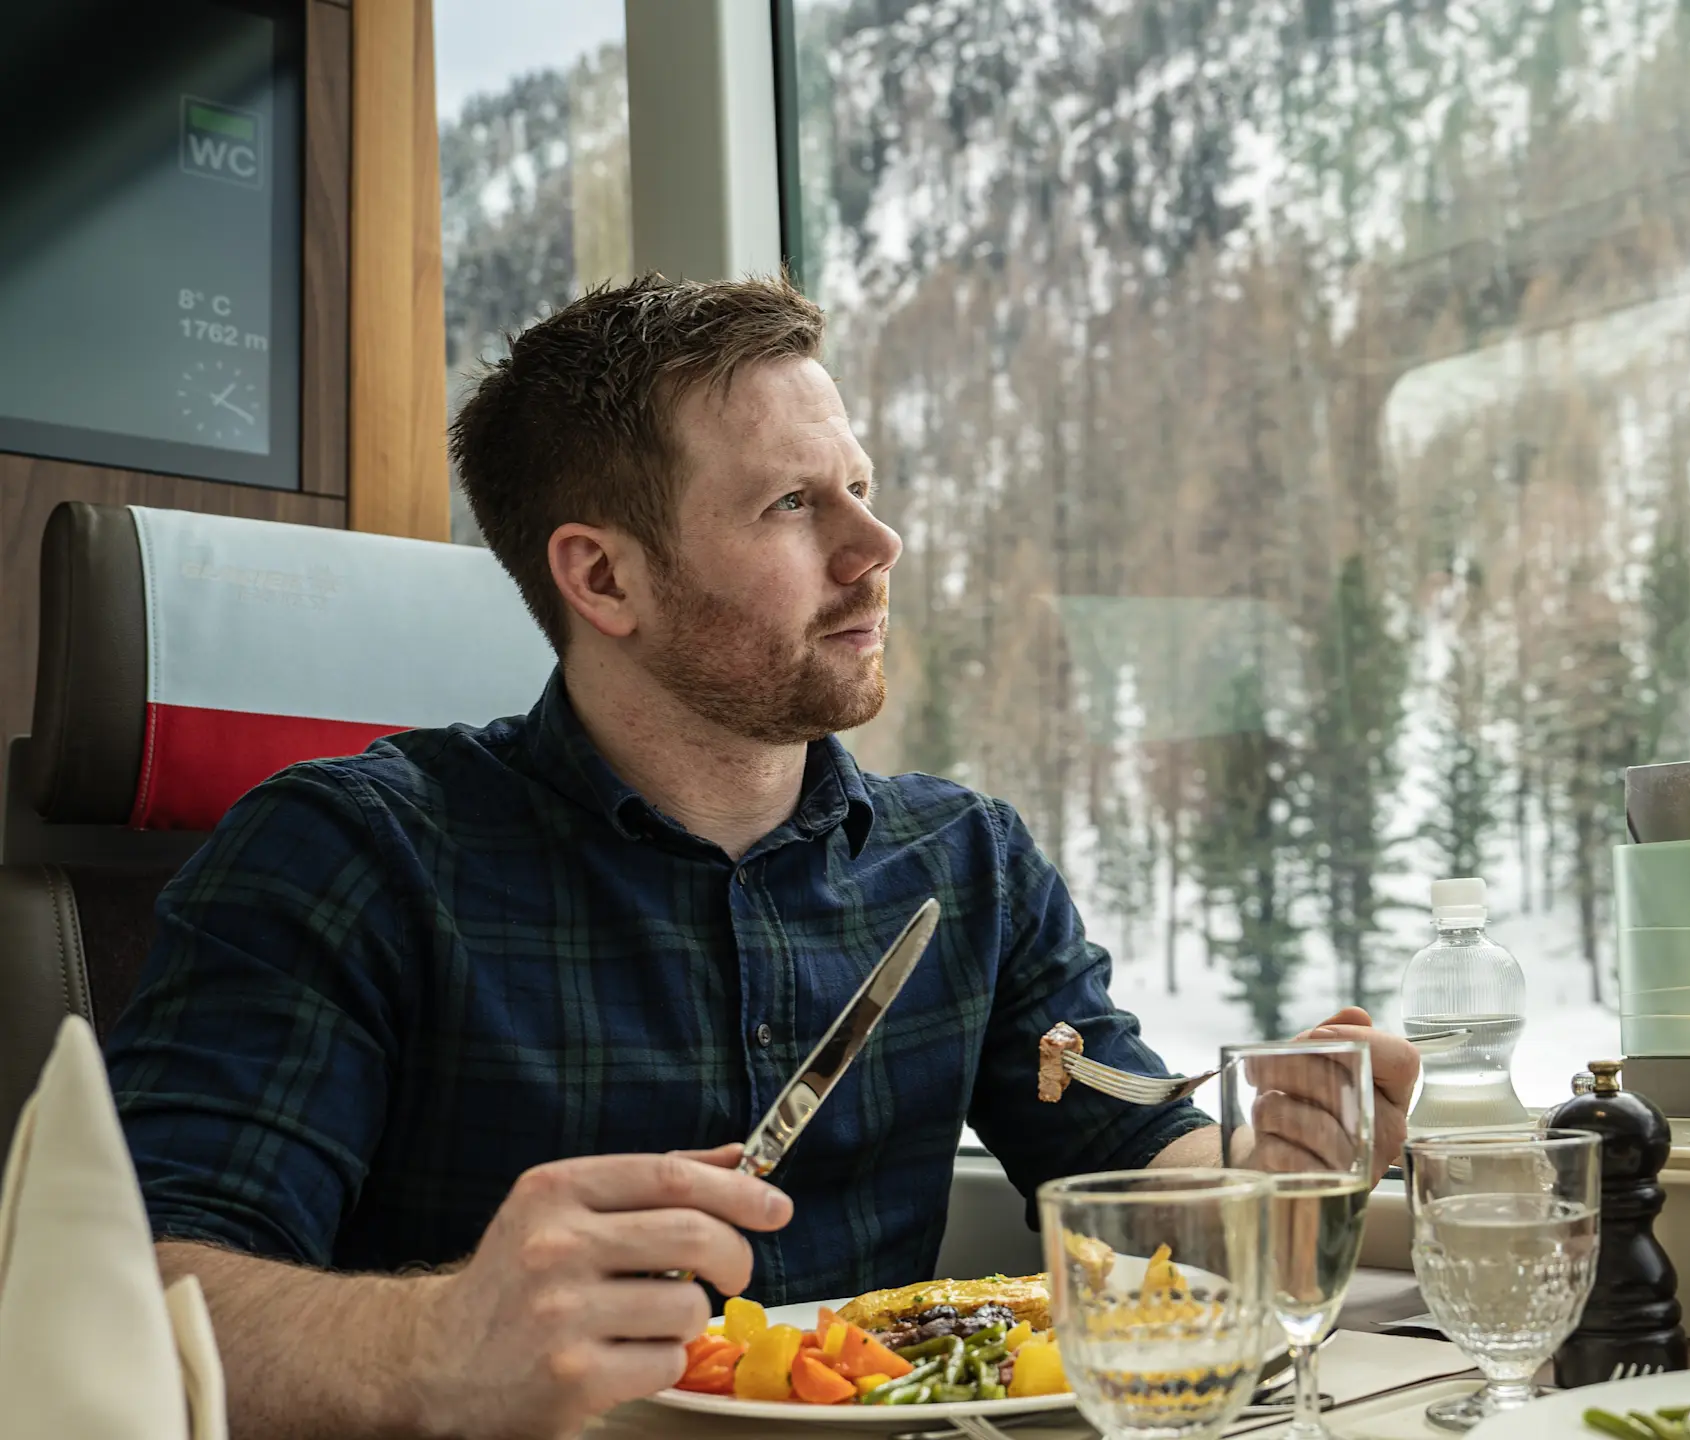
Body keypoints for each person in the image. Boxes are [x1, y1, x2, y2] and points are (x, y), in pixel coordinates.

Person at [105, 275, 1419, 1440]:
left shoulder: (965, 864)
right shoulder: (350, 856)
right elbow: (137, 1303)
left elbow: (1140, 1174)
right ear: (605, 580)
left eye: (862, 487)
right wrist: (445, 1344)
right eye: (794, 505)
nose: (875, 545)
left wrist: (1285, 1172)